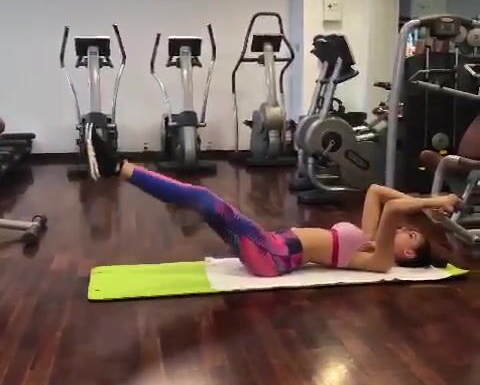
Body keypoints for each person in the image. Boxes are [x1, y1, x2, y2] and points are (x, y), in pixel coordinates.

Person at [88, 128, 459, 277]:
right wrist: (428, 203)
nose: (406, 229)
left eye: (411, 236)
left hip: (273, 256)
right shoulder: (369, 238)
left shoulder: (380, 260)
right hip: (272, 246)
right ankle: (119, 169)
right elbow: (377, 191)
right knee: (203, 203)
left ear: (407, 254)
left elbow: (394, 209)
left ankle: (118, 167)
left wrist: (435, 200)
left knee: (204, 199)